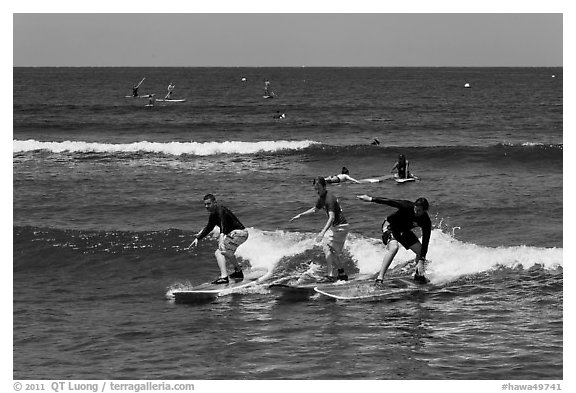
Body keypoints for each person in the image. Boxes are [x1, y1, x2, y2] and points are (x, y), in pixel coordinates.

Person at [356, 194, 431, 285]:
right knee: (394, 248)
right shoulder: (407, 206)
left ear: (424, 211)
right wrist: (371, 199)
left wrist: (421, 261)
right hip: (390, 226)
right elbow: (389, 201)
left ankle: (418, 276)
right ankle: (380, 278)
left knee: (420, 250)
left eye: (419, 211)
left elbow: (426, 241)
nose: (416, 212)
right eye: (415, 209)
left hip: (403, 231)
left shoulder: (426, 221)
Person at [290, 177, 350, 283]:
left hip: (341, 227)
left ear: (324, 187)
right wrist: (301, 215)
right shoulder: (322, 197)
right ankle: (342, 274)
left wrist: (322, 232)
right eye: (315, 189)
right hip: (337, 227)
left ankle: (331, 275)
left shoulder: (329, 198)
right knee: (332, 251)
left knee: (327, 247)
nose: (317, 191)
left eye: (319, 188)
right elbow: (315, 209)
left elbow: (331, 217)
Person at [187, 194, 249, 284]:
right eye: (205, 204)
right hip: (240, 234)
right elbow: (209, 228)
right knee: (228, 253)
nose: (206, 206)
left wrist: (221, 236)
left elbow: (223, 223)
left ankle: (224, 277)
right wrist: (198, 238)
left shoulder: (220, 210)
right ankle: (238, 272)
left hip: (239, 233)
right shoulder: (213, 215)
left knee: (219, 252)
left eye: (208, 204)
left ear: (214, 203)